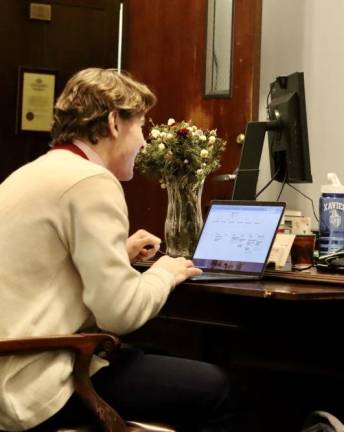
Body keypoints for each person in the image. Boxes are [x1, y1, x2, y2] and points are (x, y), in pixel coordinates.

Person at [0, 68, 229, 431]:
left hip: (10, 369)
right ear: (113, 123)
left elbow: (45, 271)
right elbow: (119, 314)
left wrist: (118, 253)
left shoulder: (35, 172)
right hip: (37, 384)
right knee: (214, 386)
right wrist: (164, 273)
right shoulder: (91, 181)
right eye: (140, 126)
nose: (144, 142)